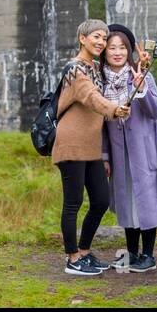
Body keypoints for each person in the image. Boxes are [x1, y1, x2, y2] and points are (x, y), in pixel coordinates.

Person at [53, 18, 131, 276]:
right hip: (71, 143)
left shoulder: (94, 68)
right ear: (82, 39)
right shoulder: (76, 69)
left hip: (91, 146)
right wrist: (114, 110)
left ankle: (84, 251)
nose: (101, 42)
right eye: (96, 36)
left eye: (104, 37)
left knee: (100, 200)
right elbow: (91, 97)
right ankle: (72, 258)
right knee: (73, 203)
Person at [99, 23, 157, 273]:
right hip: (119, 150)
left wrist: (141, 88)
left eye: (122, 47)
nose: (117, 52)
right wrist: (104, 155)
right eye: (112, 47)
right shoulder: (100, 80)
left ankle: (148, 255)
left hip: (146, 149)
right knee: (126, 199)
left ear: (130, 50)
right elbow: (99, 123)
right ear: (105, 52)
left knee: (146, 199)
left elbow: (155, 111)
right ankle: (131, 254)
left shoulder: (142, 75)